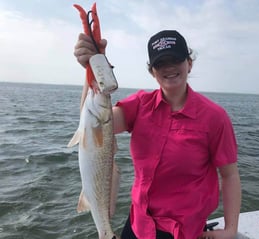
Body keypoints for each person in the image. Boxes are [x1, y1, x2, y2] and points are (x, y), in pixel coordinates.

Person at [74, 29, 241, 239]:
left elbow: (230, 175)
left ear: (189, 63)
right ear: (152, 71)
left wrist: (231, 229)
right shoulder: (140, 104)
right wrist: (93, 67)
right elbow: (93, 125)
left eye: (176, 60)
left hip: (182, 231)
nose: (169, 68)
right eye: (161, 63)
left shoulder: (215, 117)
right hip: (138, 223)